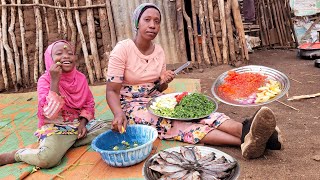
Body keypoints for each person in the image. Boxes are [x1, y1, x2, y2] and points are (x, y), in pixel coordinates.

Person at [106, 3, 283, 159]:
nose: (152, 25)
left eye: (157, 21)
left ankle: (246, 132)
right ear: (137, 23)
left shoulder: (158, 51)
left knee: (196, 112)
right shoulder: (123, 49)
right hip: (132, 105)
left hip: (157, 101)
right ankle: (250, 139)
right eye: (147, 20)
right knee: (174, 124)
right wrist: (118, 113)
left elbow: (160, 87)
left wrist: (164, 80)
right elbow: (112, 91)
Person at [0, 40, 110, 168]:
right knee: (47, 159)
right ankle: (17, 154)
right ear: (50, 59)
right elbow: (49, 113)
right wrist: (54, 81)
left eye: (70, 53)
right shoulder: (45, 80)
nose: (66, 56)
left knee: (109, 127)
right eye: (59, 53)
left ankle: (66, 143)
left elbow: (88, 104)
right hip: (56, 127)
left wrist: (82, 123)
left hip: (78, 125)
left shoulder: (80, 78)